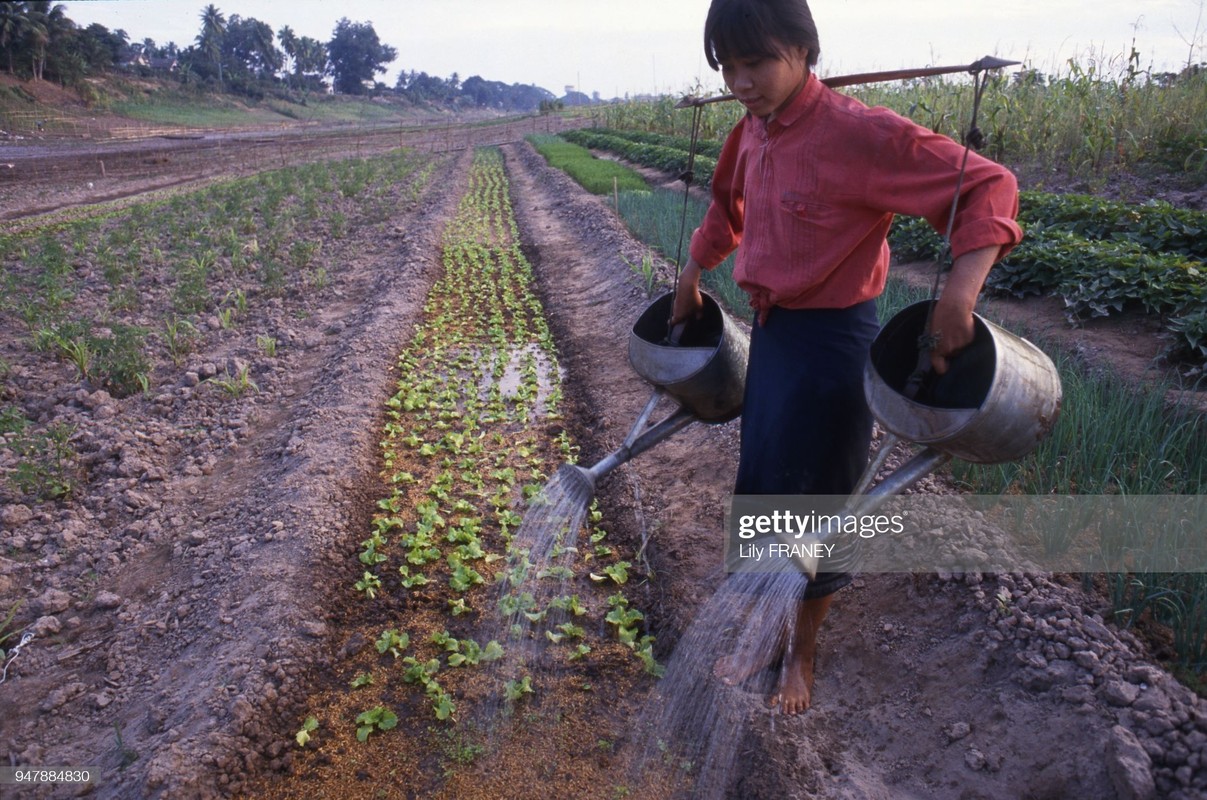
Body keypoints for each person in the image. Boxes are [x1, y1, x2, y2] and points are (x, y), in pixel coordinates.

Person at [671, 0, 1023, 715]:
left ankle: (801, 654)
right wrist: (690, 272)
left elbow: (987, 185)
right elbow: (724, 206)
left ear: (803, 49)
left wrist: (958, 296)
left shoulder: (857, 134)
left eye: (757, 62)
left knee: (822, 499)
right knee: (766, 486)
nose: (741, 81)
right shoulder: (751, 130)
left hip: (833, 344)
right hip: (772, 337)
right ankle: (770, 632)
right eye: (728, 66)